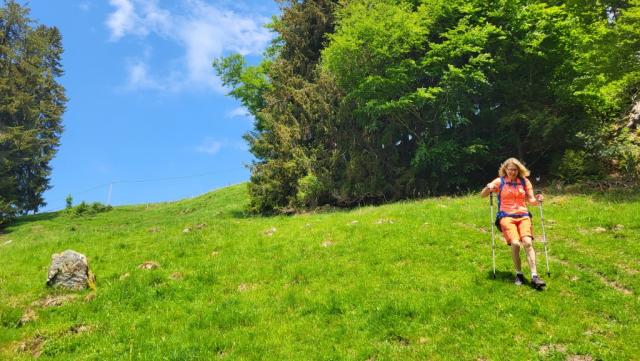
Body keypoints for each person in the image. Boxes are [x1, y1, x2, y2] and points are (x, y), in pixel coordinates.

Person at [480, 158, 546, 288]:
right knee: (515, 243)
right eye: (510, 169)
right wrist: (488, 187)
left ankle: (534, 276)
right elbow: (483, 195)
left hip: (523, 215)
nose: (513, 172)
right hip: (506, 216)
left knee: (527, 242)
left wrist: (538, 200)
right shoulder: (500, 181)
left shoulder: (524, 181)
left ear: (519, 170)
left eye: (515, 170)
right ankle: (519, 274)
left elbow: (531, 200)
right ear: (505, 169)